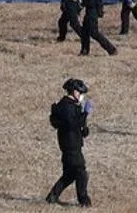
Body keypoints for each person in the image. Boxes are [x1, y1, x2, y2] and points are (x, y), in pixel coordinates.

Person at [46, 78, 93, 208]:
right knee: (81, 173)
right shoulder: (66, 106)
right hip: (70, 146)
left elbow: (79, 127)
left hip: (72, 144)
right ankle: (84, 201)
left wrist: (84, 127)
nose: (82, 96)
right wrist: (85, 114)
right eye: (80, 92)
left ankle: (52, 197)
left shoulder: (72, 106)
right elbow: (72, 124)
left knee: (70, 174)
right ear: (73, 92)